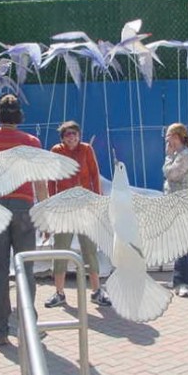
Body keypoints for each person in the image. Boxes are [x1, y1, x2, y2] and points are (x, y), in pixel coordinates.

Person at [0, 94, 49, 346]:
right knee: (25, 268)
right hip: (23, 207)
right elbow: (39, 181)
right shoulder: (31, 142)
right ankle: (28, 325)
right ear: (19, 115)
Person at [44, 121, 111, 308]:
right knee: (61, 249)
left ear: (79, 135)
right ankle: (59, 292)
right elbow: (51, 181)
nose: (71, 137)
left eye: (74, 133)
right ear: (62, 138)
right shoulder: (56, 151)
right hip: (64, 208)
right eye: (67, 134)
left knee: (89, 249)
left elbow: (94, 177)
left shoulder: (87, 150)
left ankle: (97, 291)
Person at [163, 122, 188, 298]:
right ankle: (185, 279)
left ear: (177, 137)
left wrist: (168, 158)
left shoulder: (186, 155)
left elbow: (173, 174)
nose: (166, 139)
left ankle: (180, 283)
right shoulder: (180, 154)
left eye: (168, 135)